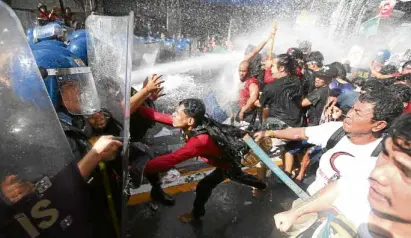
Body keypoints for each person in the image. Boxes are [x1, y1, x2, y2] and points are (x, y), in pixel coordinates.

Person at [274, 113, 411, 238]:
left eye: (404, 170)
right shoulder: (368, 166)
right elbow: (341, 188)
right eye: (385, 154)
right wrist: (295, 213)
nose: (376, 174)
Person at [135, 98, 266, 222]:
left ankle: (196, 214)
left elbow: (171, 159)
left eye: (177, 113)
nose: (173, 115)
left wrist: (138, 168)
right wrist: (134, 106)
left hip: (227, 164)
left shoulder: (199, 141)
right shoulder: (193, 122)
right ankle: (261, 185)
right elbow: (159, 116)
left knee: (208, 185)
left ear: (190, 121)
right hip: (222, 159)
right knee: (234, 178)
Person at [254, 89, 404, 196]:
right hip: (309, 198)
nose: (348, 115)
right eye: (352, 108)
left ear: (379, 125)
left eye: (357, 113)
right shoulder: (336, 130)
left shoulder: (385, 158)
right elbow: (299, 133)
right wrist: (269, 132)